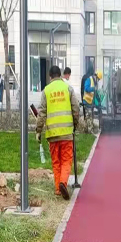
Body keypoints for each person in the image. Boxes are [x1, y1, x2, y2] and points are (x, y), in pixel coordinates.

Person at [36, 65, 80, 200]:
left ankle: (57, 188)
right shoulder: (68, 88)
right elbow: (76, 108)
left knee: (56, 161)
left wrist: (38, 131)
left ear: (50, 77)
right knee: (66, 160)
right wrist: (75, 124)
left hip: (52, 134)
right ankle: (63, 182)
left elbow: (41, 113)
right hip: (66, 133)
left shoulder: (46, 90)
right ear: (60, 75)